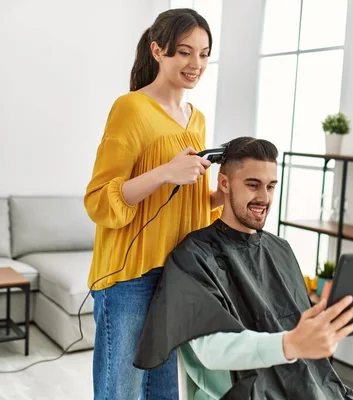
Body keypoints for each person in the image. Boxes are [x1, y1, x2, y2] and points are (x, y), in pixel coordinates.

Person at [133, 137, 353, 400]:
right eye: (253, 185)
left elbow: (293, 320)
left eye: (271, 186)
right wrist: (289, 344)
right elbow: (212, 350)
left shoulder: (280, 249)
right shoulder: (193, 255)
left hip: (309, 385)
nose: (264, 197)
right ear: (224, 183)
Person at [83, 8, 223, 399]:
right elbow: (98, 200)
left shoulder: (196, 119)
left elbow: (185, 204)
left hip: (177, 274)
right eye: (184, 52)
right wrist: (164, 172)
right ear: (158, 50)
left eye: (204, 53)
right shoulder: (130, 109)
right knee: (122, 391)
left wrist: (220, 196)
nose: (196, 64)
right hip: (130, 278)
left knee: (163, 392)